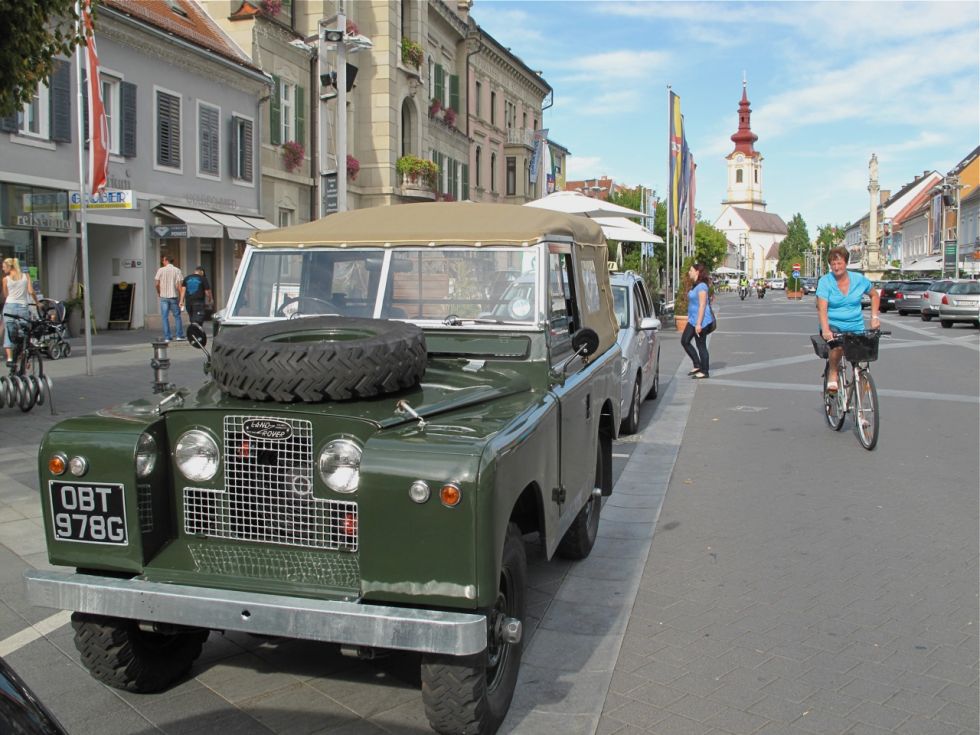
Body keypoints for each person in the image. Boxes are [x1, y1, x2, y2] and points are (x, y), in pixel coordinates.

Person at [816, 247, 880, 391]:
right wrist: (826, 329)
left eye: (839, 263)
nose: (836, 267)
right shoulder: (825, 282)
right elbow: (822, 308)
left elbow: (874, 295)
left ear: (846, 263)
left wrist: (874, 317)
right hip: (833, 325)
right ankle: (833, 372)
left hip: (855, 326)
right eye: (833, 264)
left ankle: (861, 411)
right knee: (837, 347)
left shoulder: (859, 280)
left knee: (863, 365)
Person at [681, 262, 716, 379]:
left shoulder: (702, 287)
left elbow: (702, 305)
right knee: (685, 340)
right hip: (692, 320)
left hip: (701, 321)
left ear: (697, 272)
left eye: (691, 270)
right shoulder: (695, 285)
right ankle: (697, 364)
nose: (689, 272)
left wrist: (699, 324)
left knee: (701, 345)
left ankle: (705, 371)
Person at [2, 258, 40, 367]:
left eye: (4, 267)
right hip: (23, 307)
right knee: (24, 334)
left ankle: (10, 359)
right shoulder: (25, 276)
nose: (3, 269)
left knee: (9, 334)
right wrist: (37, 303)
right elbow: (31, 291)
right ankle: (25, 360)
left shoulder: (6, 279)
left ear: (10, 267)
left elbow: (5, 295)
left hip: (9, 307)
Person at [154, 255, 184, 341]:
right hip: (174, 296)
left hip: (163, 297)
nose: (162, 262)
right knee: (177, 316)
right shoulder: (177, 270)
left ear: (166, 260)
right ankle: (179, 335)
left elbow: (156, 284)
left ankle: (167, 337)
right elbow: (179, 286)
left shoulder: (160, 270)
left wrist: (159, 292)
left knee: (164, 317)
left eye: (163, 261)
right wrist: (182, 298)